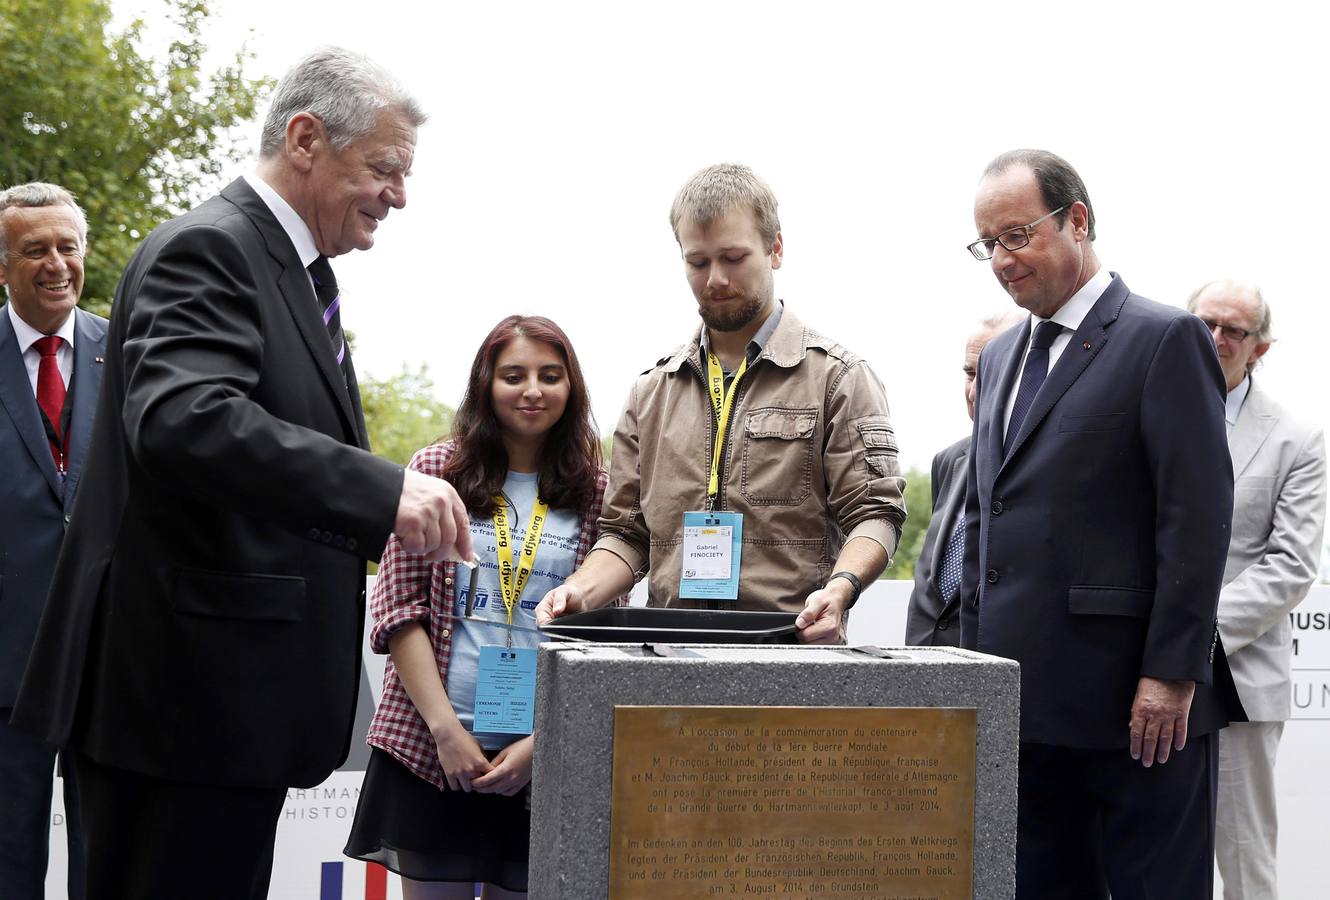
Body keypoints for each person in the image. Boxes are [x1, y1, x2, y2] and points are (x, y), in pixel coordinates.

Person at [10, 48, 473, 900]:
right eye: (384, 168)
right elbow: (184, 421)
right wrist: (382, 489)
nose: (398, 195)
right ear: (305, 138)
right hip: (180, 713)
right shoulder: (211, 249)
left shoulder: (291, 273)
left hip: (220, 716)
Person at [960, 149, 1244, 899]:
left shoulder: (1164, 338)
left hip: (1139, 712)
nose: (1000, 259)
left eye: (1016, 236)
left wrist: (1172, 672)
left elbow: (1198, 515)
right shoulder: (997, 361)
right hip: (1021, 707)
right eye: (987, 243)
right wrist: (973, 675)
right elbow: (989, 521)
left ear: (1076, 220)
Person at [536, 163, 906, 642]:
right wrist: (580, 591)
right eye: (698, 261)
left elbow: (876, 512)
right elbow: (627, 536)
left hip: (791, 650)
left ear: (776, 248)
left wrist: (842, 587)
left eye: (734, 257)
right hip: (670, 657)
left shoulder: (839, 378)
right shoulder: (651, 393)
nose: (715, 279)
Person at [345, 315, 614, 898]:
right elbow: (398, 608)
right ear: (486, 384)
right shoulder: (437, 471)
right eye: (513, 375)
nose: (532, 390)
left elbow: (604, 638)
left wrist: (545, 744)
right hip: (433, 747)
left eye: (550, 375)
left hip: (543, 752)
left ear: (572, 387)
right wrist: (446, 732)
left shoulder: (597, 489)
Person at [1186, 280, 1326, 899]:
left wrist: (1187, 629)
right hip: (1133, 673)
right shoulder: (1140, 412)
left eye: (1234, 330)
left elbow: (1291, 566)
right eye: (1205, 324)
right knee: (1142, 850)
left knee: (1245, 863)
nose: (1217, 339)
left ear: (1259, 347)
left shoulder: (1298, 440)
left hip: (1237, 676)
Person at [0, 182, 104, 900]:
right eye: (35, 249)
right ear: (3, 264)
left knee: (113, 866)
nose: (56, 263)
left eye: (68, 246)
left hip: (111, 668)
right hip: (6, 676)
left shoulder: (127, 353)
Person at [905, 310, 1019, 646]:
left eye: (990, 372)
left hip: (995, 668)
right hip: (925, 665)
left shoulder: (1052, 466)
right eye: (970, 373)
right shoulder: (949, 461)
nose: (974, 390)